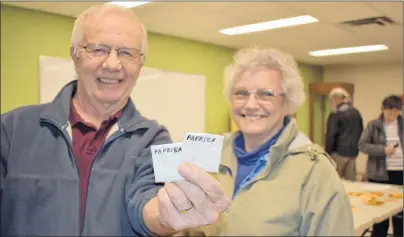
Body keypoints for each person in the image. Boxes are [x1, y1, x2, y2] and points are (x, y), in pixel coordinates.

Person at [0, 5, 230, 236]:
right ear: (75, 54)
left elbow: (148, 200)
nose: (112, 64)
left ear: (140, 64)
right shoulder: (12, 129)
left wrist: (167, 215)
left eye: (126, 52)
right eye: (98, 49)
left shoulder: (153, 139)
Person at [181, 47, 355, 236]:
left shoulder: (315, 172)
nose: (251, 104)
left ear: (287, 102)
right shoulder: (211, 154)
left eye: (266, 94)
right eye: (241, 93)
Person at [358, 95, 403, 237]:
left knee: (400, 216)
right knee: (380, 217)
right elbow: (362, 145)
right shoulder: (373, 126)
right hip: (379, 174)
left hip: (400, 173)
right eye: (389, 110)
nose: (393, 114)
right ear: (382, 109)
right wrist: (383, 150)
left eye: (396, 111)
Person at [325, 87, 364, 181]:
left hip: (338, 153)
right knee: (351, 183)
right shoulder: (356, 113)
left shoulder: (335, 114)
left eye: (331, 100)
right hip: (352, 154)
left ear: (336, 98)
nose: (331, 103)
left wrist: (327, 153)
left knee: (333, 182)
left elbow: (331, 135)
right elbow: (361, 132)